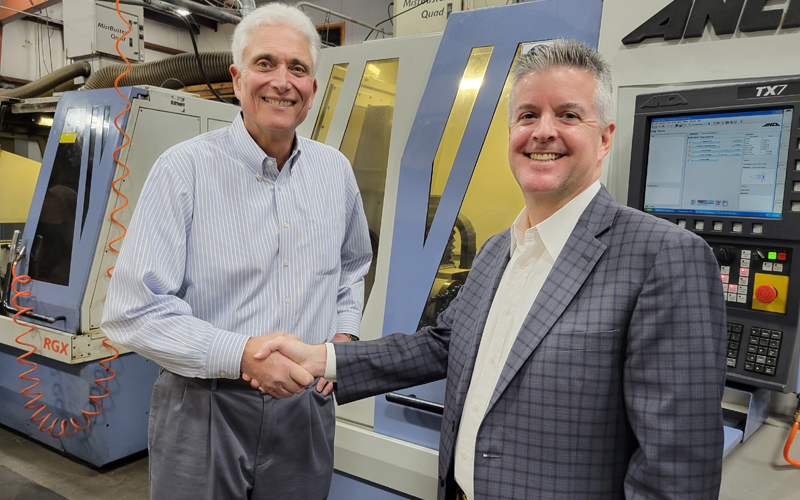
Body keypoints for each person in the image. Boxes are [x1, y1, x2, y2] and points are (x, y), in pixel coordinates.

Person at [250, 40, 727, 500]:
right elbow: (443, 345)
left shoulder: (664, 258)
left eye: (568, 114)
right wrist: (322, 359)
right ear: (510, 135)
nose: (543, 131)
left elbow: (676, 471)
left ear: (604, 138)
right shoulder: (502, 248)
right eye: (527, 115)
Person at [101, 4, 371, 499]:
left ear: (312, 89)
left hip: (305, 408)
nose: (282, 82)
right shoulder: (184, 170)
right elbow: (131, 311)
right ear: (237, 77)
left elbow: (353, 264)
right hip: (205, 406)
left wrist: (344, 332)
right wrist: (241, 354)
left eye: (298, 68)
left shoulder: (336, 174)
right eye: (265, 64)